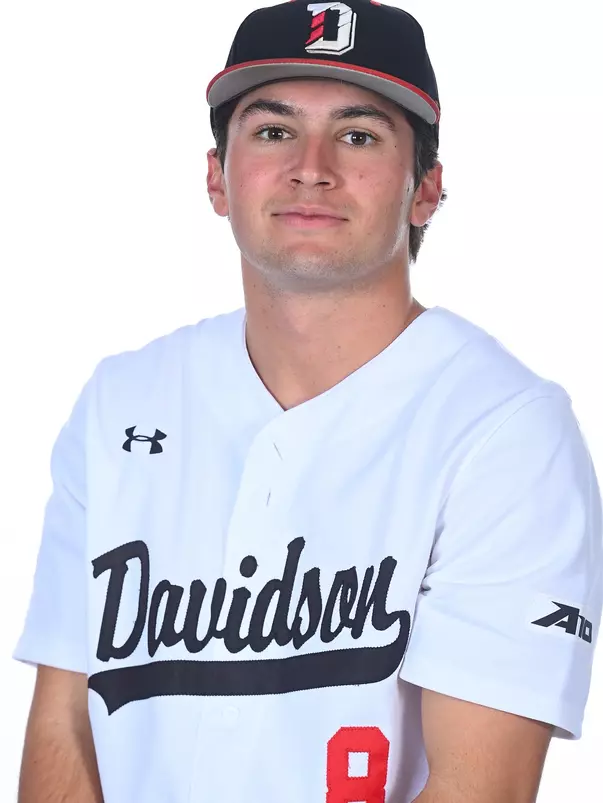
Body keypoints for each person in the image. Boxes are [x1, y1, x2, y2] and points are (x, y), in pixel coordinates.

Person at [13, 1, 603, 802]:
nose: (311, 166)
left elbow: (480, 787)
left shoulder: (503, 427)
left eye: (358, 135)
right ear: (217, 178)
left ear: (424, 189)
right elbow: (64, 726)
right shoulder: (120, 399)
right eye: (272, 130)